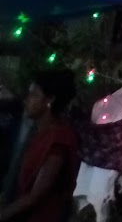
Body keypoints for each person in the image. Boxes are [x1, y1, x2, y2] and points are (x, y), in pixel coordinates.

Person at [0, 69, 80, 222]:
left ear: (49, 100)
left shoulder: (59, 139)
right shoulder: (39, 133)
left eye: (34, 94)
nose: (27, 100)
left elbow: (35, 196)